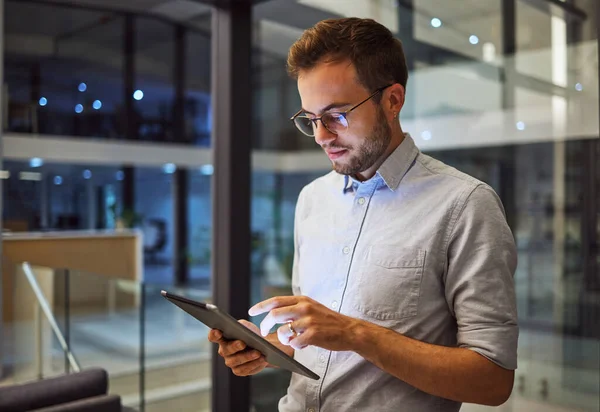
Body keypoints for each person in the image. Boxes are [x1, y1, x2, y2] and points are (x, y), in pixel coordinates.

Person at [208, 17, 518, 412]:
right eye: (310, 118)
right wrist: (269, 348)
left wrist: (356, 333)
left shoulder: (465, 204)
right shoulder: (312, 199)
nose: (321, 136)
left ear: (392, 100)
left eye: (337, 115)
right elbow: (315, 337)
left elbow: (493, 380)